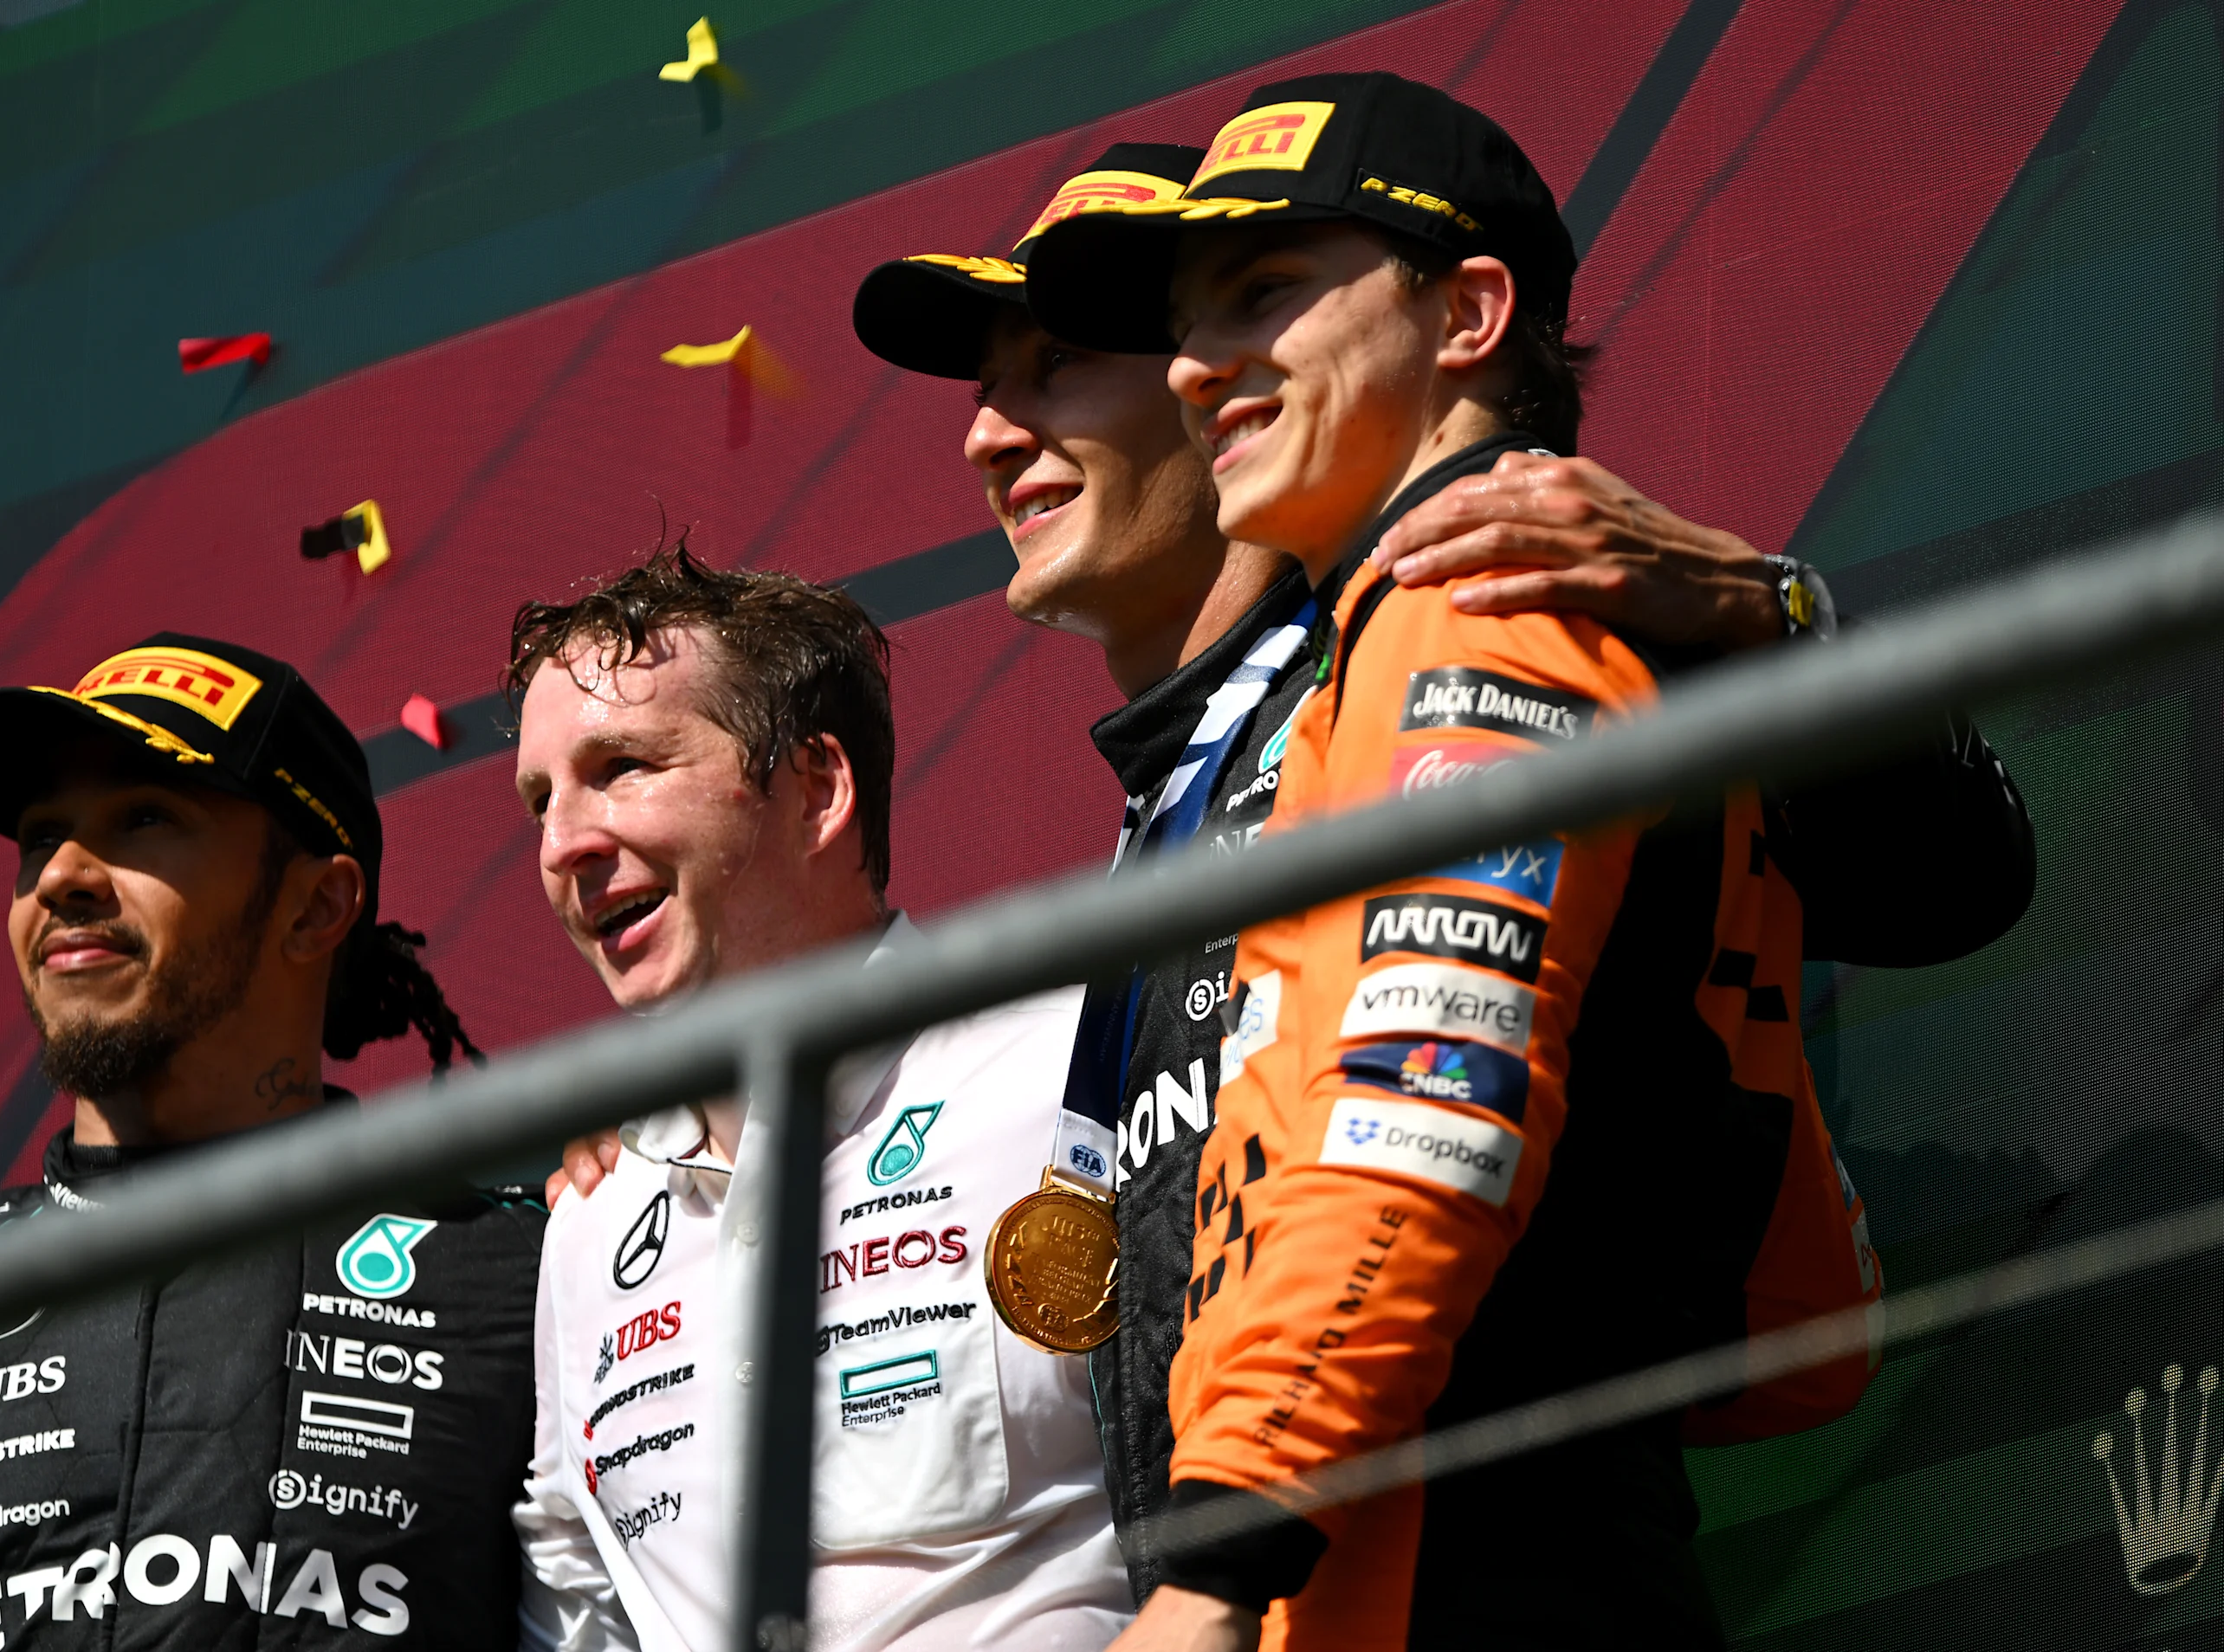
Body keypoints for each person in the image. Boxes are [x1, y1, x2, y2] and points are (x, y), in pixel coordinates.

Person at [849, 129, 2032, 1605]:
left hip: (1465, 1571)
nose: (986, 432)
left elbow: (1954, 880)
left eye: (1056, 361)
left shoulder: (1480, 600)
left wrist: (1767, 606)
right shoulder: (1180, 804)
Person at [0, 635, 543, 1650]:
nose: (60, 877)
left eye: (144, 819)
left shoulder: (529, 1281)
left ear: (317, 904)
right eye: (38, 837)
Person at [506, 551, 1131, 1650]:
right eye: (539, 801)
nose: (562, 846)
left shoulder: (1072, 1068)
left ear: (816, 788)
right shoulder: (589, 1224)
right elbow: (575, 1602)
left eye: (623, 767)